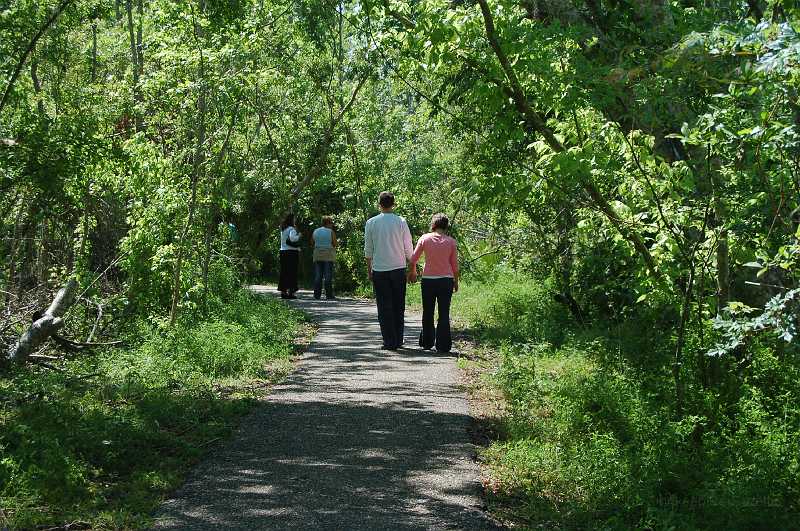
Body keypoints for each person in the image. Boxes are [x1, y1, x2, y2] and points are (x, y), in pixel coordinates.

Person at [364, 191, 413, 350]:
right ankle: (398, 339)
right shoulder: (400, 221)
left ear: (379, 204)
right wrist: (412, 267)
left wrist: (369, 270)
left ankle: (389, 341)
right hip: (398, 268)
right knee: (398, 304)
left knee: (384, 306)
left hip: (379, 269)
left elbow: (368, 250)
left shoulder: (371, 222)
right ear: (394, 204)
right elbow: (408, 247)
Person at [408, 213, 459, 353]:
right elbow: (455, 265)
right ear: (446, 226)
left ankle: (427, 342)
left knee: (428, 311)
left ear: (433, 225)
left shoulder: (425, 238)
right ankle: (443, 346)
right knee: (444, 312)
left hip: (428, 280)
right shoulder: (451, 242)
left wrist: (412, 272)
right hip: (446, 280)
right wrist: (456, 282)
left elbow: (413, 259)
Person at [311, 216, 338, 300]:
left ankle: (317, 295)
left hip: (317, 255)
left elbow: (311, 242)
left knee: (318, 276)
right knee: (328, 276)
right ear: (328, 223)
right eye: (331, 223)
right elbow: (335, 243)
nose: (332, 225)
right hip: (328, 255)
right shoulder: (331, 232)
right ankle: (329, 295)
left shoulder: (316, 231)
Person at [278, 213, 301, 299]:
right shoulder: (291, 229)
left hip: (283, 251)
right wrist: (299, 235)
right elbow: (292, 238)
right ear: (291, 220)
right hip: (291, 253)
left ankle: (283, 291)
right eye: (294, 219)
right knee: (292, 272)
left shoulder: (283, 229)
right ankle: (291, 291)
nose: (295, 220)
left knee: (284, 272)